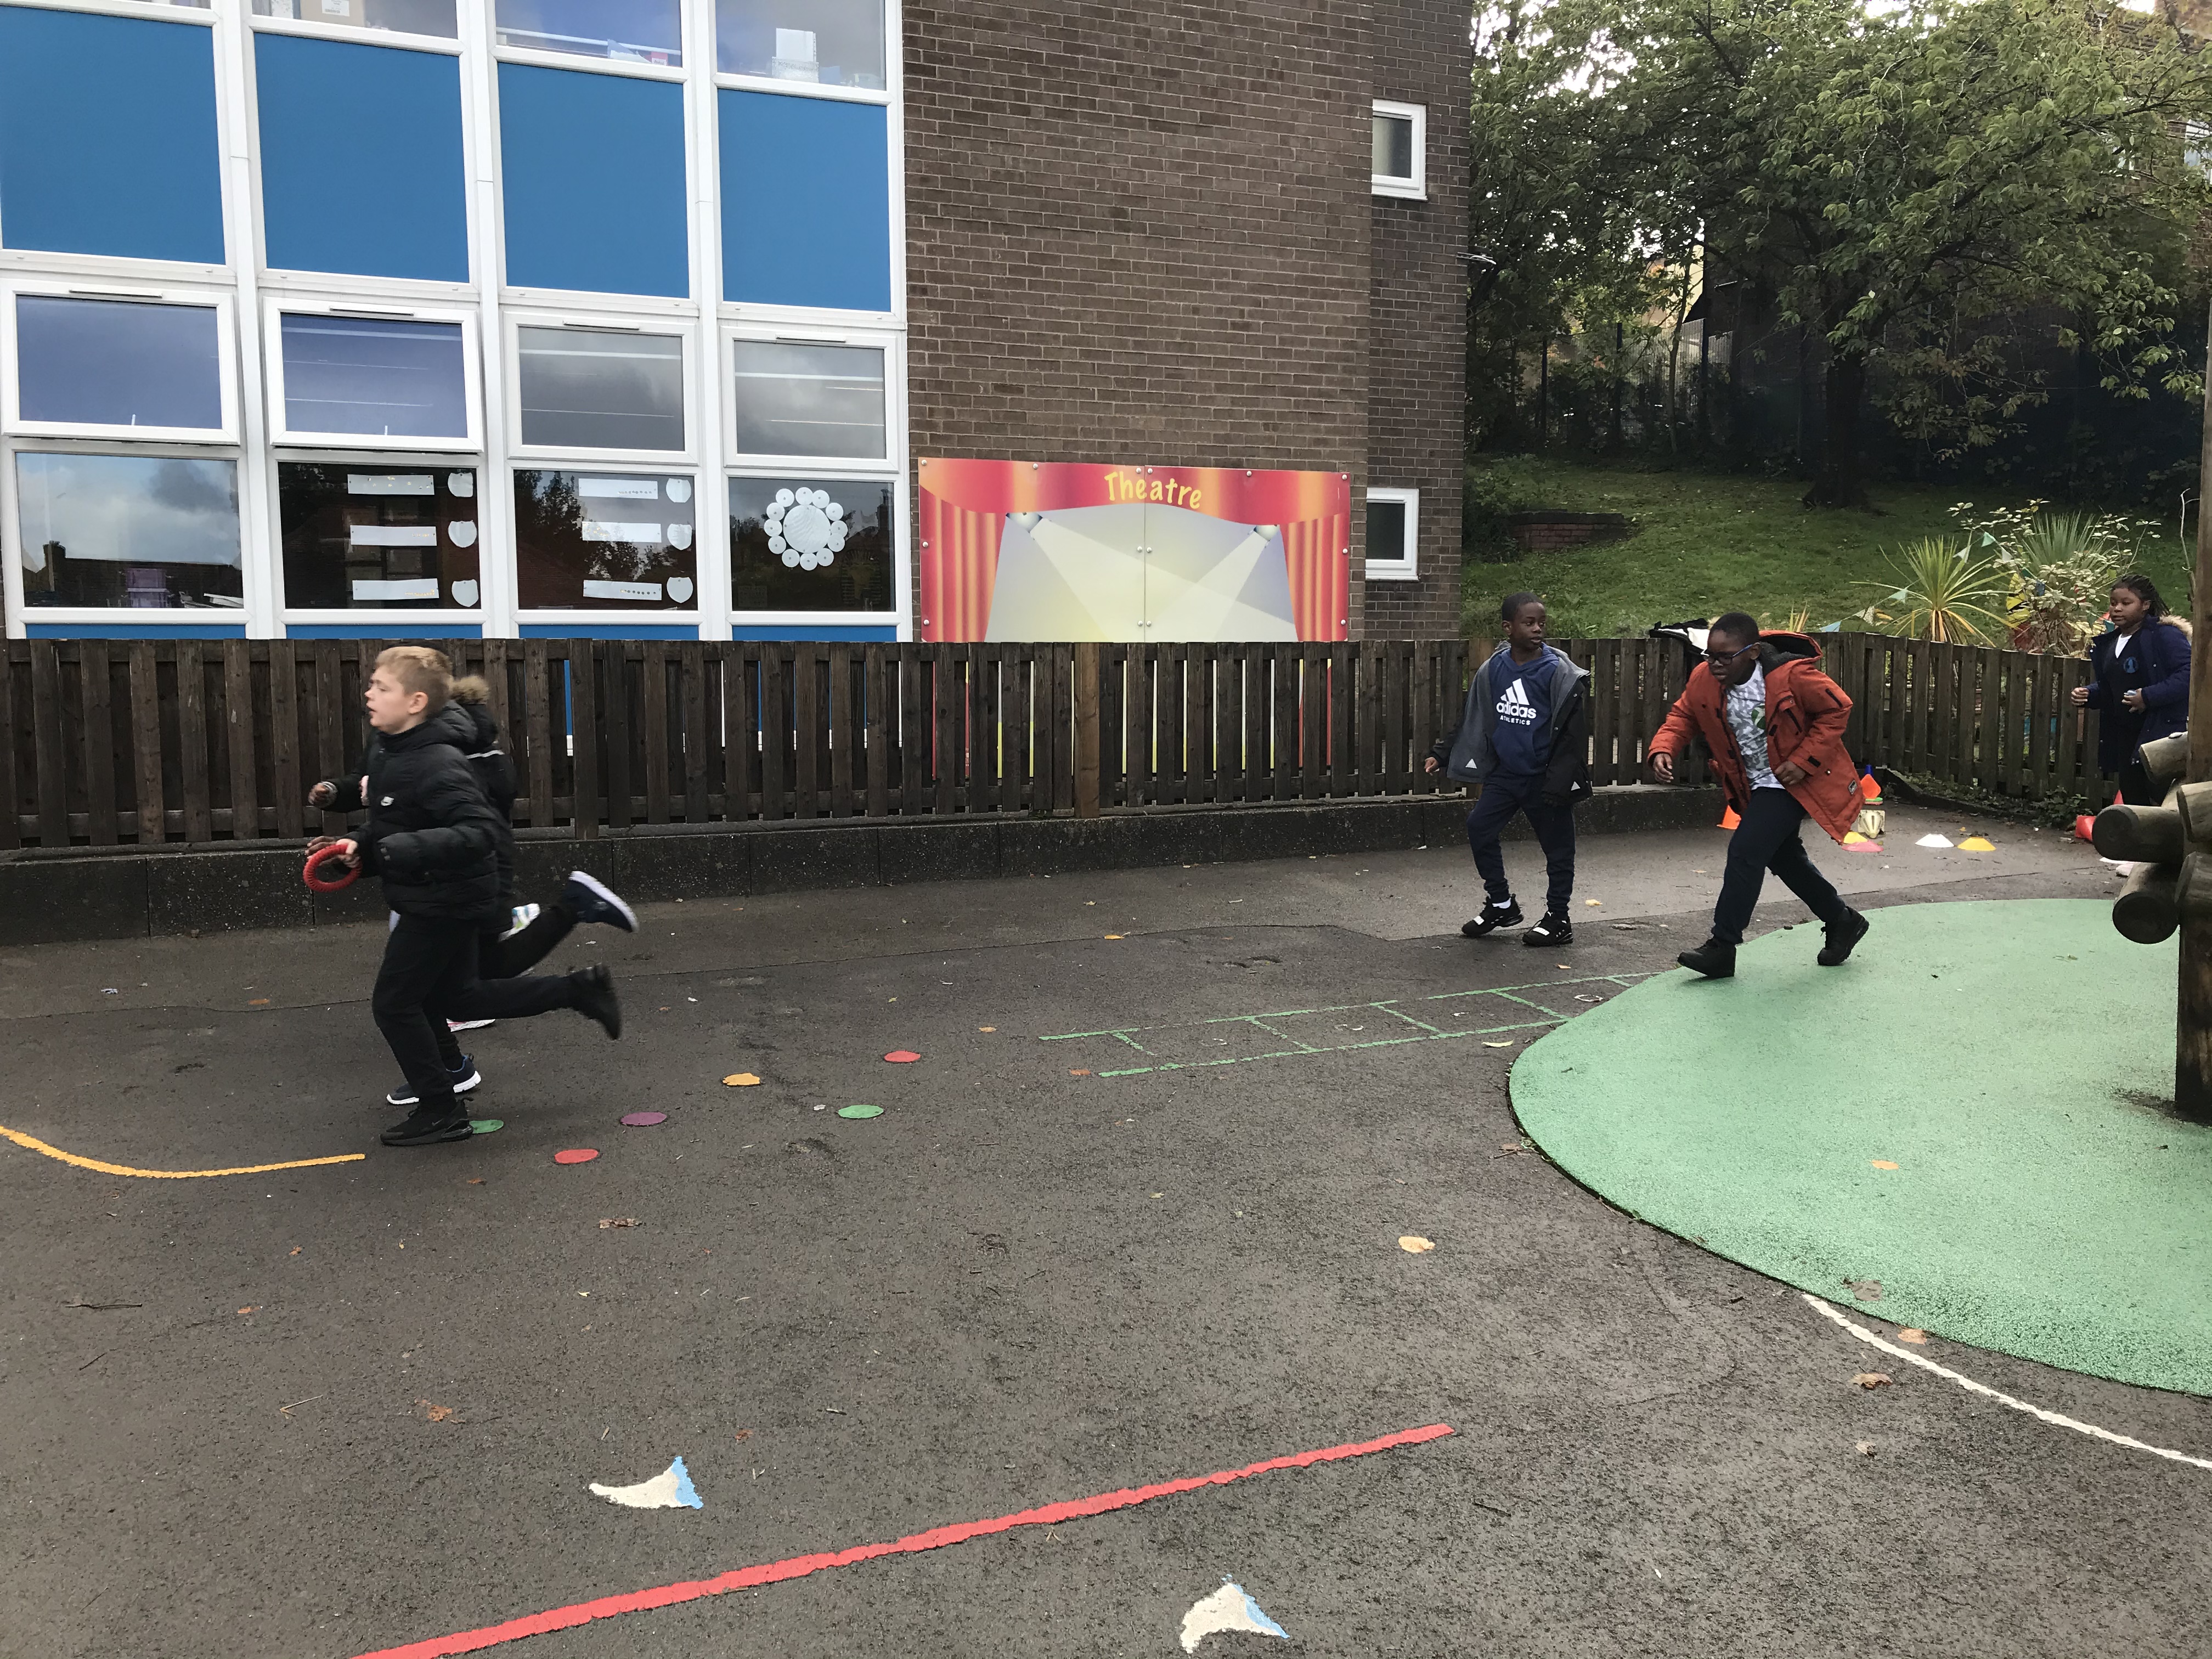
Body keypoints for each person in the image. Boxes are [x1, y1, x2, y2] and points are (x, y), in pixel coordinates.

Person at [315, 647, 622, 1147]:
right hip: (435, 895)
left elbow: (479, 832)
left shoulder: (436, 761)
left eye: (381, 687)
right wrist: (359, 849)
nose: (369, 694)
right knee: (458, 997)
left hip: (445, 902)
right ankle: (579, 990)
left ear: (416, 702)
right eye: (372, 685)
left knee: (395, 1004)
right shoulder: (391, 751)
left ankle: (440, 1108)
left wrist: (393, 851)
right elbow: (397, 824)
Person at [1648, 612, 1867, 979]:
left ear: (1752, 652)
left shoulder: (1791, 677)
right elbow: (1683, 716)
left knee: (1745, 852)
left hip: (1790, 782)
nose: (1715, 664)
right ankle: (1842, 920)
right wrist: (1663, 748)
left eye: (1725, 657)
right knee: (1784, 858)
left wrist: (1803, 761)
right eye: (1710, 655)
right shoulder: (1704, 679)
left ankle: (1722, 946)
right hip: (1750, 784)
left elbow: (1838, 707)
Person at [1426, 592, 1592, 947]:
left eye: (1541, 623)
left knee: (1558, 850)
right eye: (1529, 623)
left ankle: (1558, 919)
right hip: (1506, 774)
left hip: (1544, 777)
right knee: (1479, 827)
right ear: (1508, 627)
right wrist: (1442, 753)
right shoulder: (1494, 669)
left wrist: (1559, 782)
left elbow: (1573, 736)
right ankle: (1501, 904)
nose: (1537, 629)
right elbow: (1472, 716)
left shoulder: (1558, 673)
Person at [2071, 574, 2190, 807]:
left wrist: (2147, 697)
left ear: (2145, 605)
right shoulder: (2110, 642)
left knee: (2164, 802)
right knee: (2134, 800)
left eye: (2126, 603)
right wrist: (2090, 694)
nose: (2117, 609)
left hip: (2160, 735)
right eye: (2113, 603)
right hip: (2125, 737)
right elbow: (2114, 687)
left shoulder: (2164, 635)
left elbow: (2189, 675)